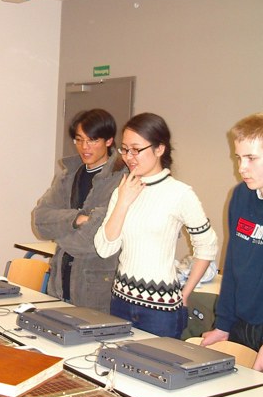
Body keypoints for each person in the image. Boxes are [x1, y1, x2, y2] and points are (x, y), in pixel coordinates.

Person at [94, 112, 218, 338]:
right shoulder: (122, 191)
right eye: (125, 149)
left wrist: (186, 292)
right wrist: (123, 202)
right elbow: (104, 248)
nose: (129, 157)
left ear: (159, 149)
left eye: (136, 149)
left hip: (161, 311)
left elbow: (207, 245)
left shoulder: (180, 193)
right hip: (120, 301)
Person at [201, 113, 263, 376]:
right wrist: (223, 324)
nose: (242, 168)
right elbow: (232, 263)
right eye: (239, 158)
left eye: (251, 158)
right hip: (241, 325)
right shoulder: (240, 196)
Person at [32, 108, 126, 313]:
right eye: (79, 140)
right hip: (59, 283)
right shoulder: (68, 175)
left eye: (92, 140)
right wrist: (76, 219)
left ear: (109, 141)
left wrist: (59, 232)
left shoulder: (121, 179)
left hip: (96, 289)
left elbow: (93, 238)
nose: (84, 147)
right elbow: (40, 221)